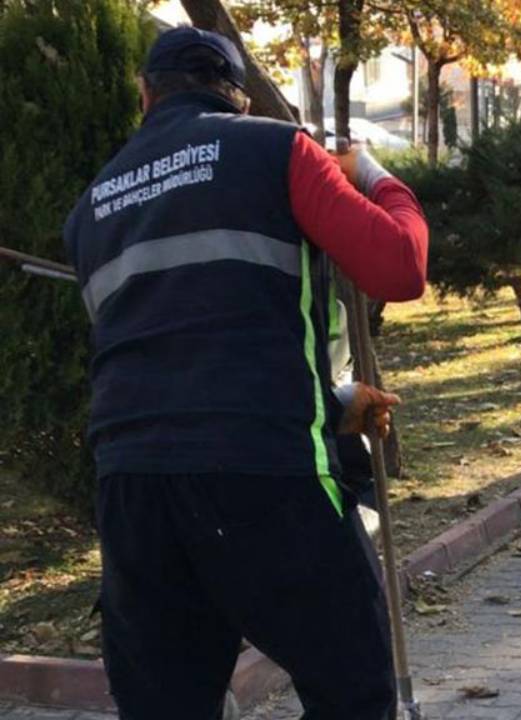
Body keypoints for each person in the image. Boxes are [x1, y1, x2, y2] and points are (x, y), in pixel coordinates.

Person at [61, 27, 428, 719]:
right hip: (266, 475)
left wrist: (333, 401)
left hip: (132, 491)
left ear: (146, 96)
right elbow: (399, 267)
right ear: (236, 95)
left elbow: (173, 358)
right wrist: (374, 174)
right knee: (354, 691)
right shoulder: (275, 148)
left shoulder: (93, 208)